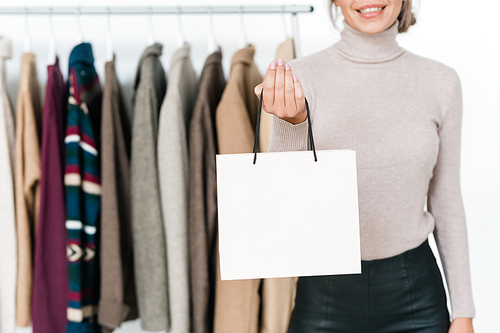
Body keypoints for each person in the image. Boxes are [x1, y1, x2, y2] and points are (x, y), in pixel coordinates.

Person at [254, 1, 475, 332]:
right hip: (324, 295)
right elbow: (281, 200)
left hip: (416, 294)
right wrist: (292, 122)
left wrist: (464, 312)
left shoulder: (441, 82)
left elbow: (446, 201)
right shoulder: (296, 78)